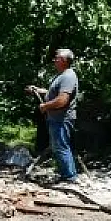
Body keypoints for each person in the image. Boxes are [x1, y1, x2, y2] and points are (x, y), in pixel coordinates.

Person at [27, 48, 80, 183]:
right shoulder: (61, 75)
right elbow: (54, 92)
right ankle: (67, 175)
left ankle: (70, 178)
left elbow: (62, 100)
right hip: (56, 118)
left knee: (61, 147)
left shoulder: (68, 76)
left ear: (63, 60)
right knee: (59, 147)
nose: (54, 60)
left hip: (62, 119)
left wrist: (45, 106)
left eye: (56, 58)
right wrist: (38, 91)